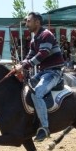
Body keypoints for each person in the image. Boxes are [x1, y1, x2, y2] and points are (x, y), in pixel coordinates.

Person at [14, 12, 65, 142]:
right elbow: (29, 56)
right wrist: (21, 64)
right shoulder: (34, 39)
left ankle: (45, 128)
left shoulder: (46, 35)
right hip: (43, 72)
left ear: (37, 22)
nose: (26, 24)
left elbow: (43, 54)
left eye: (28, 21)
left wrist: (24, 66)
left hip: (53, 72)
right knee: (25, 89)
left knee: (37, 93)